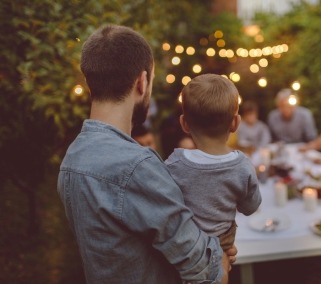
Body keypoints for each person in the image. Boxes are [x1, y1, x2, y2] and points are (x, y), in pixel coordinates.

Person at [57, 25, 236, 284]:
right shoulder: (136, 166)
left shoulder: (72, 160)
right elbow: (208, 274)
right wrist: (219, 257)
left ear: (89, 84)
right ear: (142, 82)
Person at [165, 74, 262, 251]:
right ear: (235, 123)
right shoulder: (243, 166)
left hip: (186, 245)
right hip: (223, 242)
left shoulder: (173, 163)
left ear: (184, 123)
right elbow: (250, 207)